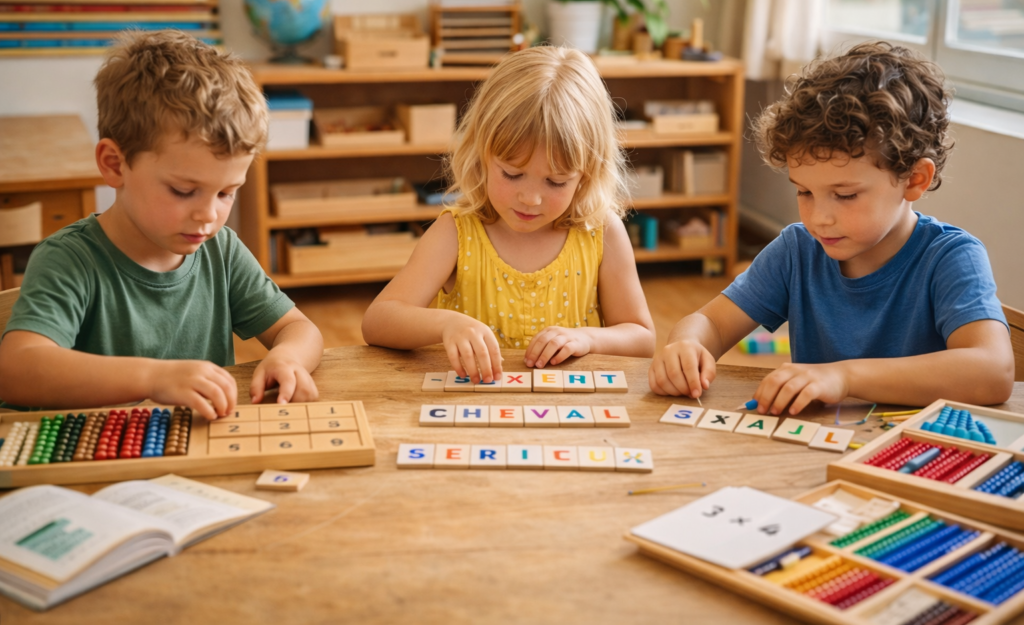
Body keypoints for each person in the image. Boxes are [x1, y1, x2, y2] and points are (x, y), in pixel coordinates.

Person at [649, 42, 1013, 413]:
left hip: (916, 456)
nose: (818, 218)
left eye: (845, 195)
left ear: (914, 179)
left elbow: (993, 371)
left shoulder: (951, 258)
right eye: (804, 191)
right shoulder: (797, 250)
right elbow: (711, 322)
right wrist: (687, 345)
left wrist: (845, 377)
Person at [0, 30, 324, 419]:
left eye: (226, 193)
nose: (209, 215)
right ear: (115, 165)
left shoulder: (219, 249)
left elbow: (300, 329)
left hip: (183, 457)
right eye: (184, 190)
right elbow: (17, 370)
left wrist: (287, 357)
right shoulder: (69, 260)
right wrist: (152, 378)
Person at [362, 46, 656, 382]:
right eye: (512, 174)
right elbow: (378, 321)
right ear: (481, 154)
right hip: (476, 411)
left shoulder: (602, 232)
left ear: (587, 173)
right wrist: (446, 324)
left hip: (568, 413)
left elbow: (642, 338)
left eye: (556, 181)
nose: (530, 198)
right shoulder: (455, 234)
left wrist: (588, 339)